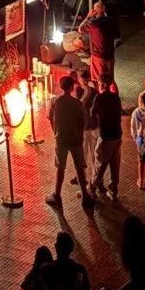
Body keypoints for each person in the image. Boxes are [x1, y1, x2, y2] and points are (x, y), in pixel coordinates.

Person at [46, 74, 94, 210]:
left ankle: (57, 195)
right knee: (79, 167)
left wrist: (55, 133)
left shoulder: (54, 102)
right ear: (72, 87)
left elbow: (49, 118)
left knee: (60, 167)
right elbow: (83, 121)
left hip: (61, 139)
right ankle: (85, 196)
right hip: (75, 139)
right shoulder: (77, 104)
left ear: (61, 87)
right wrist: (80, 134)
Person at [89, 80, 123, 199]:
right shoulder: (116, 97)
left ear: (103, 84)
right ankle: (113, 191)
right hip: (117, 135)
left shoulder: (99, 97)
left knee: (100, 164)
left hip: (106, 135)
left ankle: (92, 188)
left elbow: (92, 112)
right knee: (115, 165)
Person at [80, 0, 117, 87]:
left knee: (99, 79)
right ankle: (113, 94)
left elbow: (80, 29)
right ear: (104, 9)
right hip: (110, 55)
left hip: (98, 56)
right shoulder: (113, 21)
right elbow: (117, 37)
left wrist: (88, 17)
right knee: (110, 79)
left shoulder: (93, 23)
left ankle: (102, 93)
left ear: (94, 11)